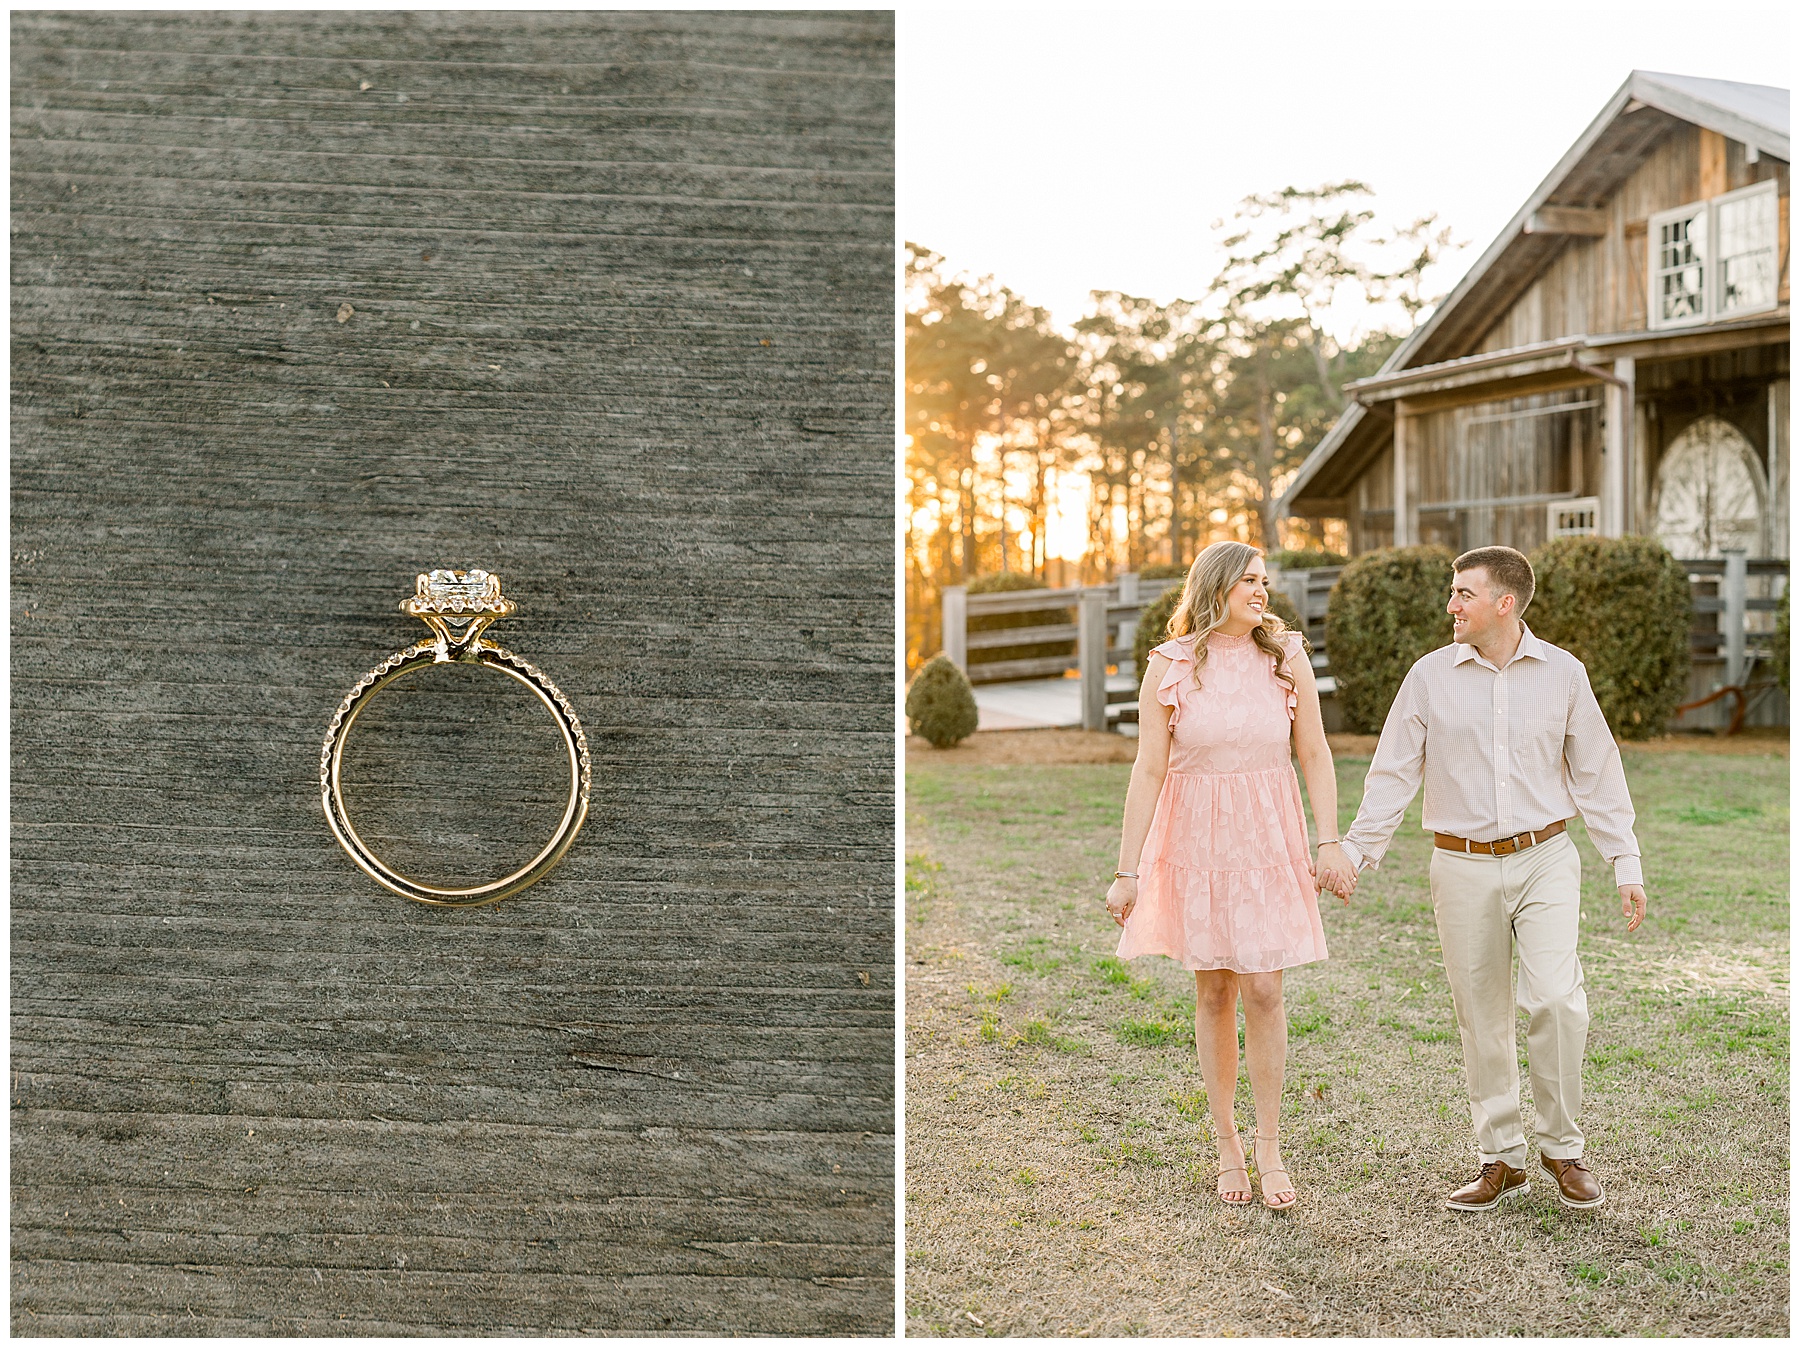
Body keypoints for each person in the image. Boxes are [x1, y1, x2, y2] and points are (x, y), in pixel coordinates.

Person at [1336, 545, 1648, 1212]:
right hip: (1461, 863)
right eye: (1452, 594)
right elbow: (1392, 772)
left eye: (1462, 595)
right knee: (1481, 1014)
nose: (1450, 605)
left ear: (1503, 604)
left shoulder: (1564, 674)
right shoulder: (1428, 678)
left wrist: (1624, 860)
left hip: (1545, 858)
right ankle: (1500, 1158)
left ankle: (1563, 1148)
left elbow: (1597, 768)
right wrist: (1357, 855)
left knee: (1557, 1000)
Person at [1105, 540, 1353, 1211]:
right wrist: (1127, 871)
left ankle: (1271, 1146)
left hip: (1269, 837)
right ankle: (1226, 1146)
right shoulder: (1171, 664)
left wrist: (1329, 841)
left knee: (1265, 990)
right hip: (1198, 841)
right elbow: (1148, 770)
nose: (1262, 591)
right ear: (1214, 587)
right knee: (1214, 990)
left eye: (1265, 581)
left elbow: (1316, 753)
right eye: (1249, 580)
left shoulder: (1287, 654)